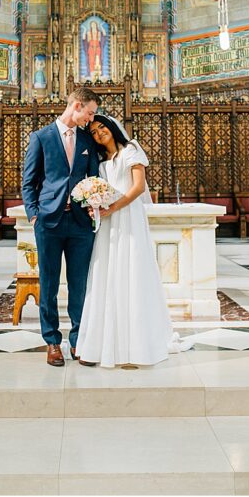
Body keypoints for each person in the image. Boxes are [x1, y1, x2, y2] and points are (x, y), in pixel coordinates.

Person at [75, 115, 193, 368]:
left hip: (129, 217)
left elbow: (139, 187)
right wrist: (94, 205)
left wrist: (112, 207)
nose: (99, 134)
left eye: (102, 127)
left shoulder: (131, 149)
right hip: (108, 224)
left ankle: (137, 346)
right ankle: (101, 345)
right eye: (94, 132)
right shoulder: (101, 162)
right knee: (106, 276)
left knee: (131, 275)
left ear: (112, 127)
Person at [21, 87, 102, 366]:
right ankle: (52, 341)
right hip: (49, 223)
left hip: (80, 224)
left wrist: (94, 207)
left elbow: (93, 177)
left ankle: (79, 341)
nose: (90, 120)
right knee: (49, 284)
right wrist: (34, 216)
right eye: (89, 113)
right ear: (77, 106)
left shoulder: (87, 141)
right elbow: (28, 183)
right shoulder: (41, 138)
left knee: (79, 285)